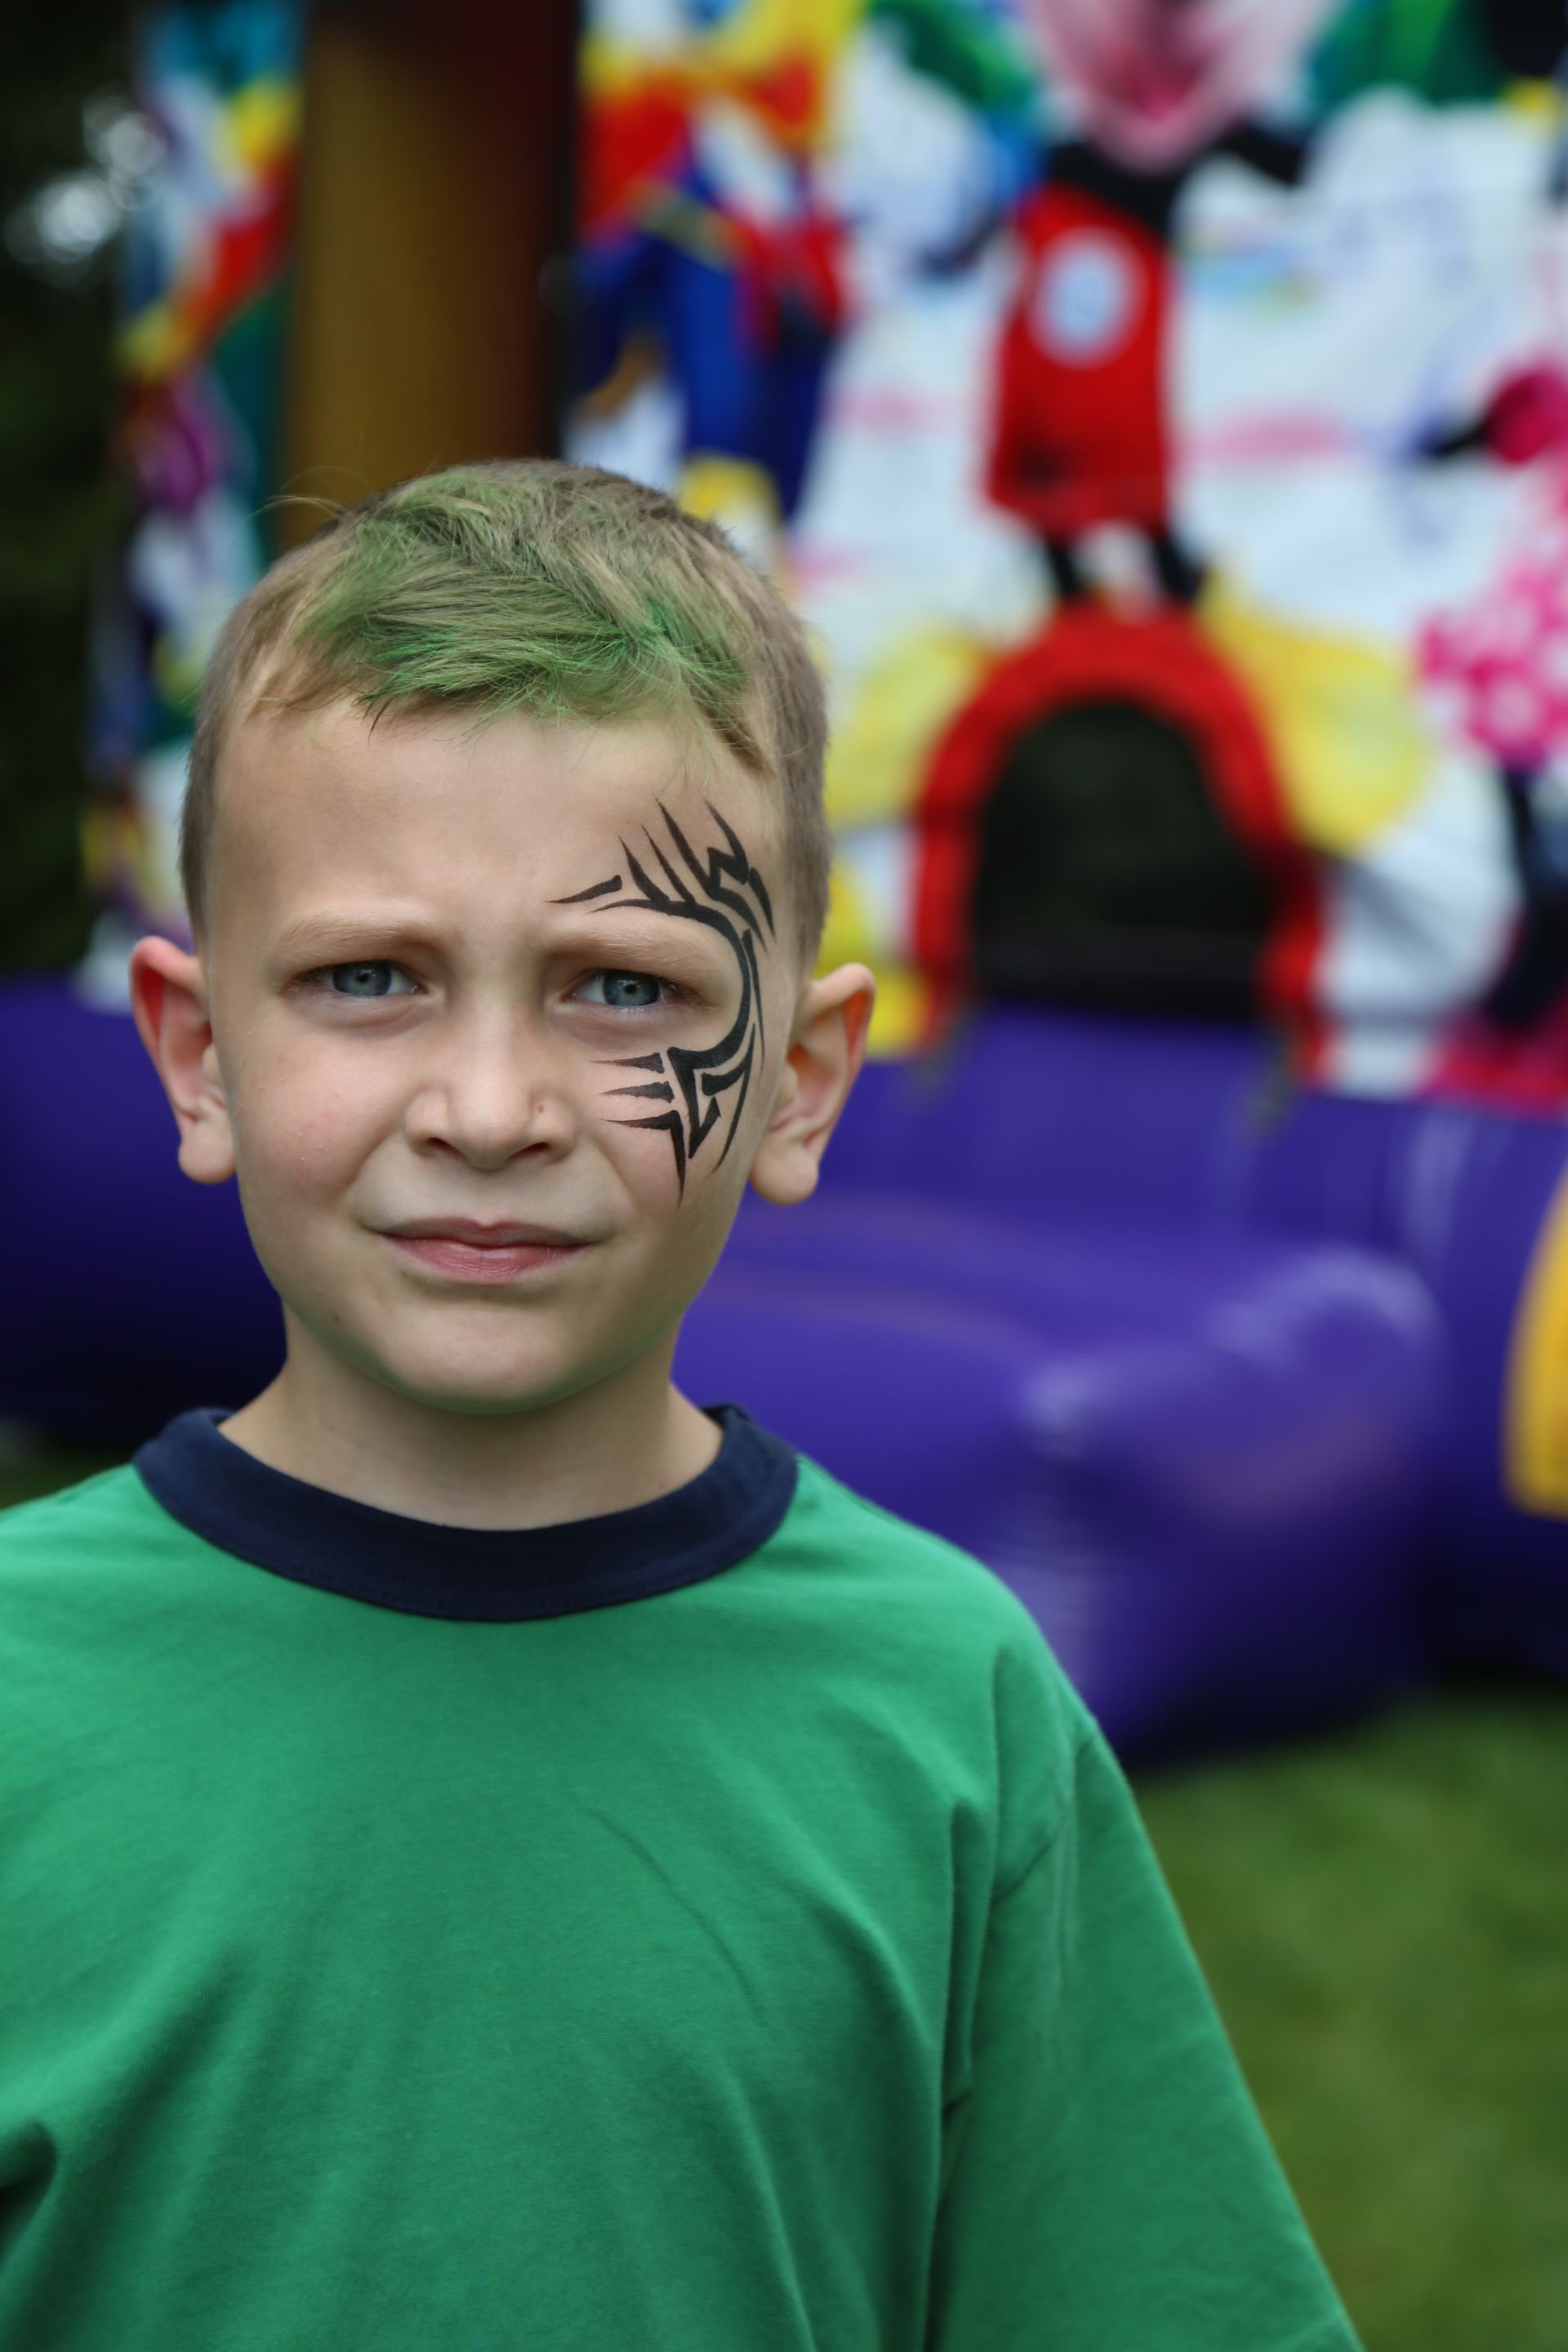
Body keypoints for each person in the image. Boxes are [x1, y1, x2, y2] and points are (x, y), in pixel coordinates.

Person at [0, 461, 1361, 2350]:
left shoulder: (945, 1715)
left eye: (622, 991)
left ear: (799, 1084)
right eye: (370, 977)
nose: (490, 1107)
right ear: (198, 1054)